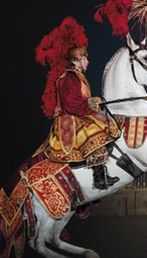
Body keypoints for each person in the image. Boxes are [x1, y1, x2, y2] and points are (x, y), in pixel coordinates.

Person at [36, 17, 121, 190]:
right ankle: (99, 178)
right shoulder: (68, 77)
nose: (88, 61)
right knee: (93, 132)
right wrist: (91, 102)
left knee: (105, 122)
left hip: (77, 113)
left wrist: (94, 102)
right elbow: (71, 102)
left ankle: (102, 170)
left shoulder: (77, 76)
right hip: (70, 118)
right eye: (85, 58)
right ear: (76, 60)